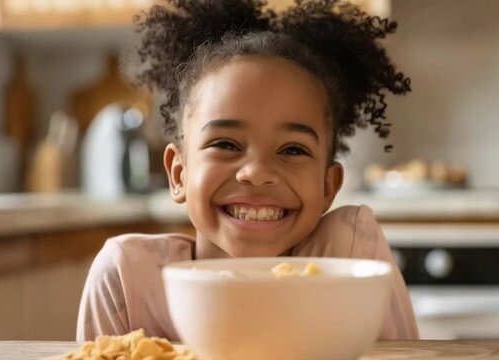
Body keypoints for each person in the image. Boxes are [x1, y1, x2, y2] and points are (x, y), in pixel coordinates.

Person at [77, 0, 419, 341]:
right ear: (178, 174)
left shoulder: (349, 254)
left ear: (329, 186)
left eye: (292, 149)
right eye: (225, 144)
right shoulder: (126, 277)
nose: (256, 173)